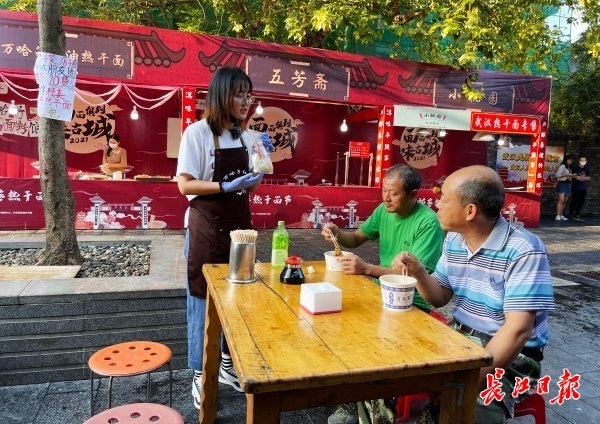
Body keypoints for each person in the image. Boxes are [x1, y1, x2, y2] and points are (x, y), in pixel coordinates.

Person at [391, 165, 554, 424]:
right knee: (390, 365)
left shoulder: (524, 249)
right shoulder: (454, 240)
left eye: (444, 198)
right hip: (460, 338)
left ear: (470, 211)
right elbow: (440, 296)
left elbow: (517, 331)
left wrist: (467, 381)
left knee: (468, 404)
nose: (436, 204)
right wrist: (419, 272)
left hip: (514, 357)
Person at [176, 66, 273, 409]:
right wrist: (224, 185)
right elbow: (185, 184)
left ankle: (227, 365)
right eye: (238, 95)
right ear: (221, 96)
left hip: (239, 228)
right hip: (206, 229)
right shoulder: (197, 133)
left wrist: (261, 163)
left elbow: (252, 185)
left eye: (249, 95)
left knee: (237, 298)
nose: (246, 102)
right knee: (202, 301)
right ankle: (200, 373)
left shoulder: (248, 136)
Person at [322, 164, 445, 424]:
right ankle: (352, 401)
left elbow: (413, 276)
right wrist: (337, 234)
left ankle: (380, 411)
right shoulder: (383, 211)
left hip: (412, 304)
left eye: (394, 193)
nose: (386, 198)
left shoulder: (428, 223)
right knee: (340, 328)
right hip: (382, 295)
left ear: (414, 194)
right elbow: (356, 238)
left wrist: (366, 268)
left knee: (379, 351)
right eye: (384, 191)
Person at [568, 155, 590, 221]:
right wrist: (583, 178)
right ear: (579, 161)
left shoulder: (586, 169)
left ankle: (577, 214)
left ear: (586, 161)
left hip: (583, 188)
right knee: (574, 201)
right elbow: (575, 177)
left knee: (581, 202)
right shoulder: (576, 168)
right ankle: (570, 213)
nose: (583, 161)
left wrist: (581, 178)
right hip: (575, 188)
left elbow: (588, 178)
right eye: (581, 160)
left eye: (584, 160)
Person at [554, 154, 575, 221]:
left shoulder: (569, 167)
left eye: (572, 160)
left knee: (565, 201)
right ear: (566, 160)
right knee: (561, 200)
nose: (571, 161)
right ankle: (557, 215)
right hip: (562, 184)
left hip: (568, 184)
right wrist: (568, 174)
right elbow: (557, 175)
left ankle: (561, 215)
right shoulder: (563, 166)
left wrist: (572, 176)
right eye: (570, 160)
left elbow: (568, 176)